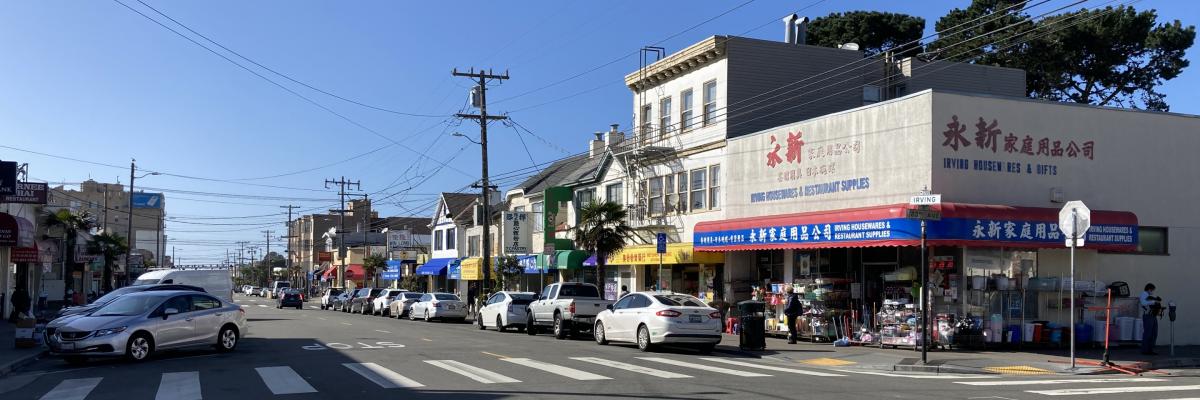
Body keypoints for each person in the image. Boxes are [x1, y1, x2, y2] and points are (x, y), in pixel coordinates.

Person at [1139, 283, 1162, 355]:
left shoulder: (1148, 295)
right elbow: (1143, 303)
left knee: (1153, 333)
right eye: (1152, 290)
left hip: (1152, 315)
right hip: (1148, 316)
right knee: (1148, 333)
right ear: (1149, 289)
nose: (1153, 292)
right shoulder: (1144, 294)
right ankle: (1146, 350)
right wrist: (1154, 302)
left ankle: (1150, 349)